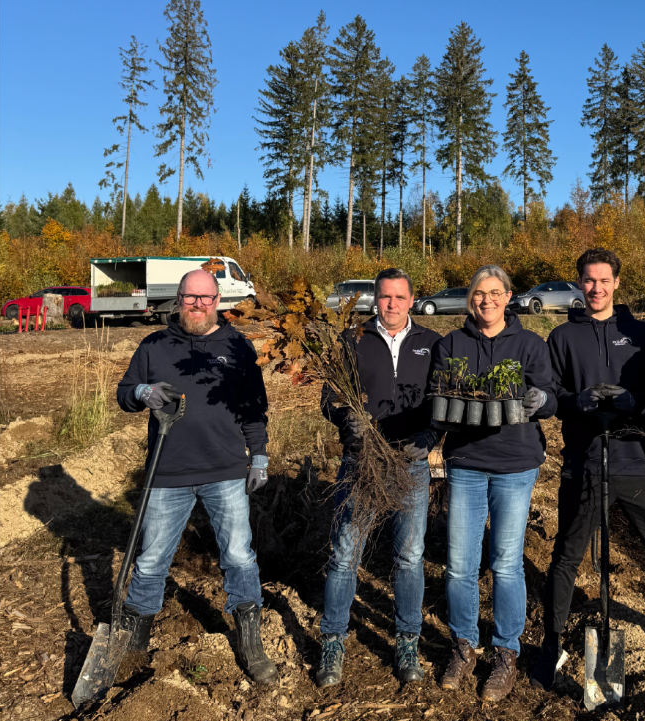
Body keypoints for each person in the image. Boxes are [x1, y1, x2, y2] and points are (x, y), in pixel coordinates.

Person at [91, 268, 276, 691]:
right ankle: (133, 646)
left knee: (238, 556)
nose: (197, 305)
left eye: (205, 298)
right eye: (190, 297)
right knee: (152, 559)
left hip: (225, 470)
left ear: (217, 301)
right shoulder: (154, 345)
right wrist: (142, 393)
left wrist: (260, 456)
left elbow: (253, 408)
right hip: (167, 472)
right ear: (178, 299)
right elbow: (124, 393)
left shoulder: (237, 346)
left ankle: (250, 643)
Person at [538, 249, 645, 697]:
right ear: (579, 282)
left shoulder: (643, 335)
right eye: (589, 280)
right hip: (584, 463)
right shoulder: (562, 337)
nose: (596, 288)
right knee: (566, 555)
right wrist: (576, 402)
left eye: (604, 280)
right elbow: (551, 394)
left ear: (616, 283)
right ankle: (551, 645)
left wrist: (637, 402)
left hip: (638, 464)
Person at [430, 264, 559, 702]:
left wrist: (542, 399)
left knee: (506, 563)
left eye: (494, 293)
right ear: (471, 299)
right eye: (478, 293)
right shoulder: (451, 344)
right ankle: (463, 646)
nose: (486, 300)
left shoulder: (530, 344)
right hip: (465, 463)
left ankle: (506, 652)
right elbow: (437, 397)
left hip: (516, 464)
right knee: (460, 564)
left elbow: (550, 398)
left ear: (508, 296)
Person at [313, 268, 440, 687]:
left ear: (412, 299)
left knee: (409, 557)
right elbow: (330, 398)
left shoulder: (431, 343)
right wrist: (345, 421)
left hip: (410, 464)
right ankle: (333, 640)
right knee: (345, 554)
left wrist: (431, 436)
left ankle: (407, 641)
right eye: (385, 296)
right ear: (375, 298)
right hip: (361, 462)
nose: (392, 304)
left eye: (400, 297)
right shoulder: (353, 339)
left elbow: (441, 400)